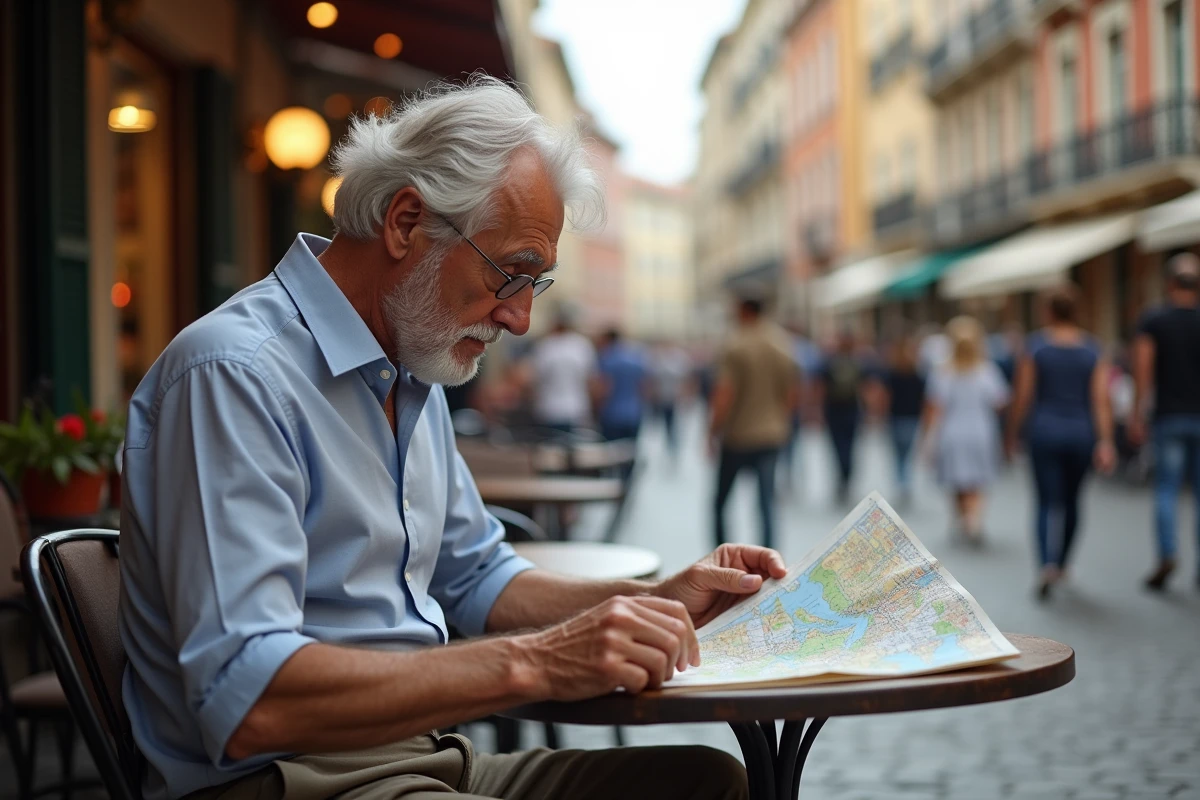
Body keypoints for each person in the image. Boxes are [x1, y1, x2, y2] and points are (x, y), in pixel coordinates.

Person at [118, 78, 767, 800]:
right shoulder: (235, 374)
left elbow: (477, 578)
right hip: (287, 780)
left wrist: (658, 598)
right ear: (405, 223)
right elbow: (250, 698)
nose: (519, 318)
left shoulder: (409, 365)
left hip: (422, 761)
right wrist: (539, 663)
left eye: (535, 284)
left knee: (705, 783)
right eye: (510, 273)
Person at [1006, 287, 1116, 599]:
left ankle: (1046, 566)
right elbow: (1100, 400)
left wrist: (1011, 433)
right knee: (1072, 501)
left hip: (1044, 432)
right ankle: (1064, 563)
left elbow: (1023, 396)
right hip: (1082, 434)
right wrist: (1106, 441)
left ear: (1048, 312)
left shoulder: (1036, 347)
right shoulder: (1093, 349)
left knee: (1044, 501)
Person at [1130, 252, 1200, 591]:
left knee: (1167, 490)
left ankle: (1167, 554)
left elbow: (1143, 371)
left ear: (1169, 283)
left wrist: (1137, 412)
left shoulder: (1154, 320)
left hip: (1169, 416)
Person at [709, 296, 799, 551]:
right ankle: (769, 556)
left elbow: (724, 394)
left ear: (744, 310)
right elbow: (792, 393)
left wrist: (712, 431)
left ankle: (721, 556)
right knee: (766, 502)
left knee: (721, 502)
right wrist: (780, 421)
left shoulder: (735, 343)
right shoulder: (782, 343)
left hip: (738, 435)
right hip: (771, 434)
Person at [923, 316, 1010, 543]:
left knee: (957, 480)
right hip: (980, 430)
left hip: (952, 432)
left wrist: (927, 439)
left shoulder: (943, 372)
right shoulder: (987, 371)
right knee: (976, 481)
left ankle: (963, 517)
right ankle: (973, 519)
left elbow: (934, 408)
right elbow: (1000, 401)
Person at [814, 330, 869, 506]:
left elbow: (820, 387)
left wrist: (817, 410)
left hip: (836, 410)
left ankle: (843, 477)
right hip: (849, 409)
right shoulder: (858, 362)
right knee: (849, 447)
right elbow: (866, 388)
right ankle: (845, 477)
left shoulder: (831, 362)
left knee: (839, 447)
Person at [527, 305, 597, 435]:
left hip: (548, 408)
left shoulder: (545, 345)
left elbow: (534, 379)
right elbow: (590, 380)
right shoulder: (582, 345)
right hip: (576, 408)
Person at [883, 334, 925, 507]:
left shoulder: (892, 373)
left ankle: (902, 482)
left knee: (898, 455)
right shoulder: (918, 374)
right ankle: (905, 482)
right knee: (907, 454)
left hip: (896, 418)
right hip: (912, 418)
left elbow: (886, 397)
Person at [594, 328, 648, 442]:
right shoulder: (635, 359)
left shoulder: (607, 359)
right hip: (634, 413)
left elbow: (604, 388)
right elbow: (643, 387)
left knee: (611, 454)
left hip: (612, 415)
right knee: (630, 452)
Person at [648, 340, 692, 462]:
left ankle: (673, 445)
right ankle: (670, 444)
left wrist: (685, 397)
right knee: (667, 423)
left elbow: (686, 380)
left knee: (673, 424)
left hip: (674, 399)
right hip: (664, 399)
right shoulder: (660, 361)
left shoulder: (678, 360)